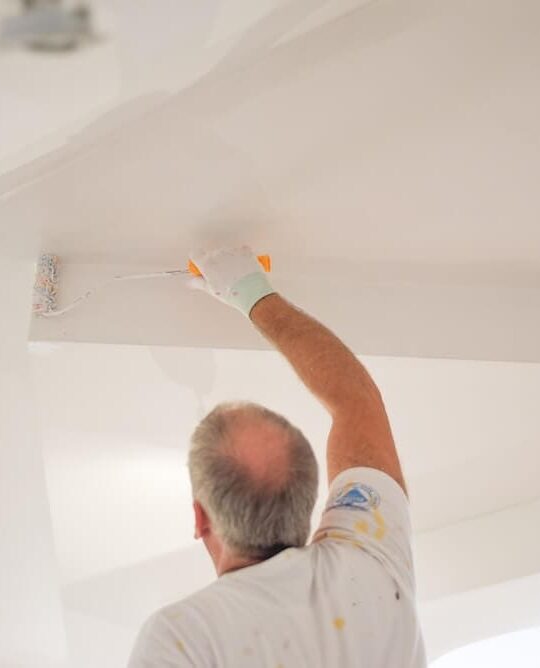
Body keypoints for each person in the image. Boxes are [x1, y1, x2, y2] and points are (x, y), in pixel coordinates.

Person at [128, 247, 426, 667]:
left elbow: (355, 404)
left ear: (200, 518)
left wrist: (249, 288)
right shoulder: (371, 564)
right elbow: (356, 402)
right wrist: (250, 290)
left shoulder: (182, 638)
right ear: (310, 501)